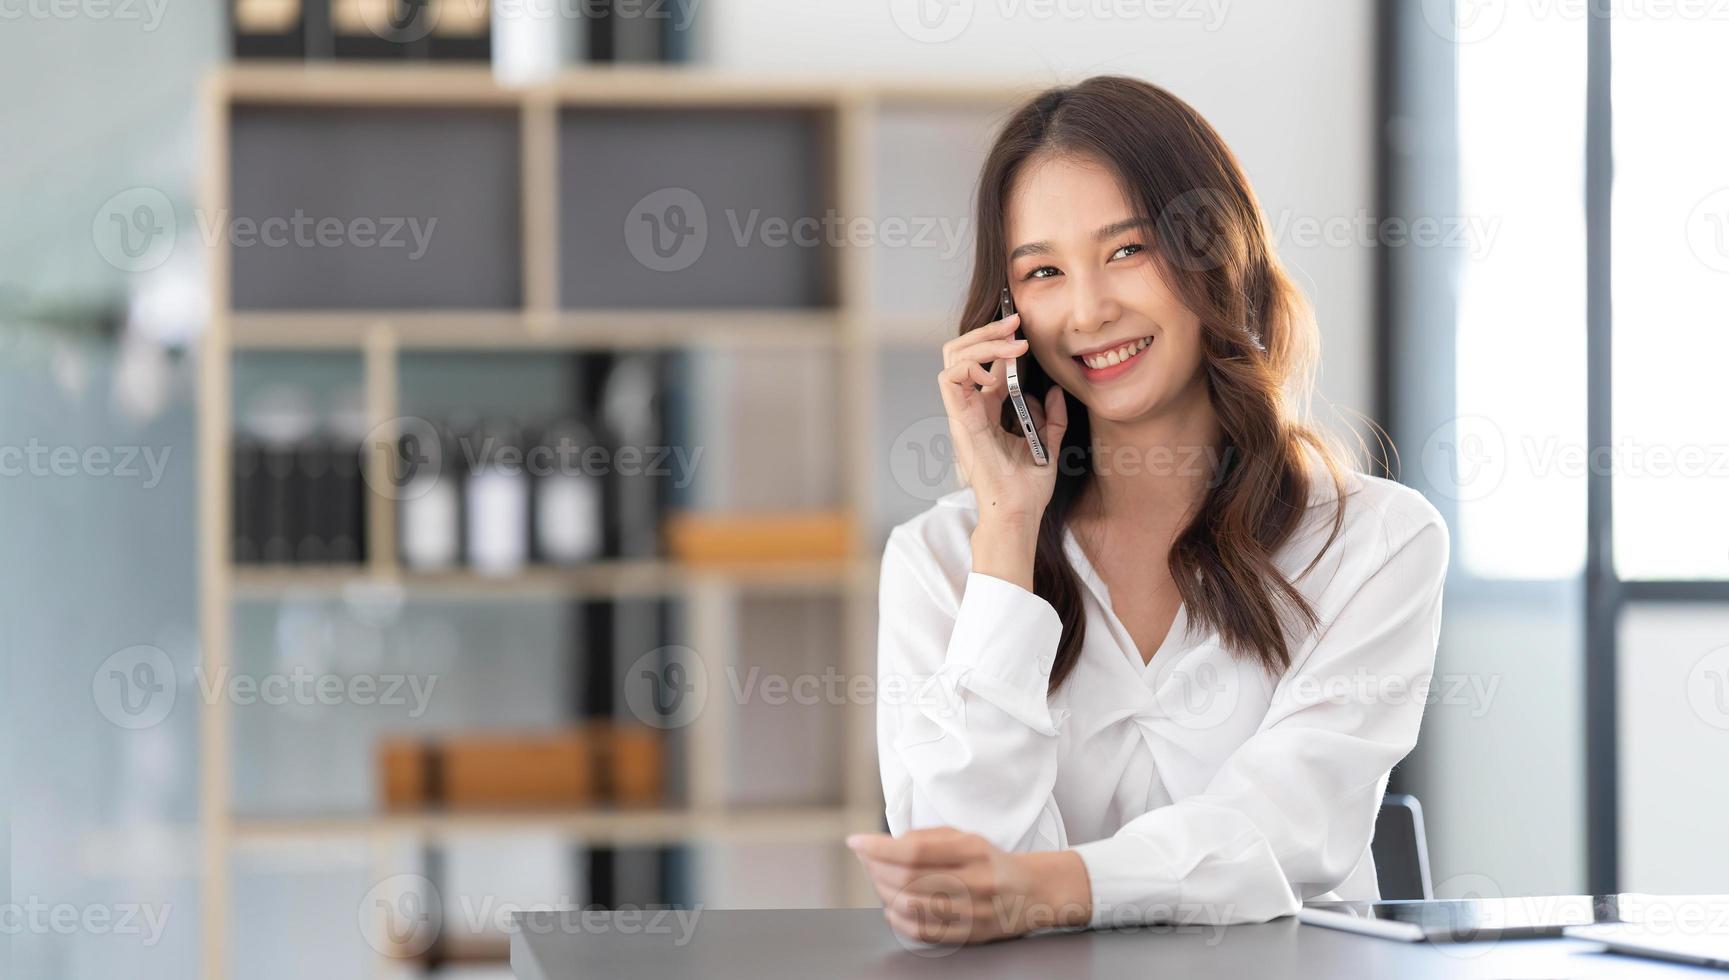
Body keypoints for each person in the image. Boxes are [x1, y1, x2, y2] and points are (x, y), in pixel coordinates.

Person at [847, 75, 1450, 945]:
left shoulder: (1376, 541)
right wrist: (1006, 531)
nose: (1088, 311)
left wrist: (1051, 886)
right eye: (1044, 272)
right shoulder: (940, 558)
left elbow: (1288, 826)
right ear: (1010, 312)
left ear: (1215, 253)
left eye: (1126, 251)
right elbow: (962, 867)